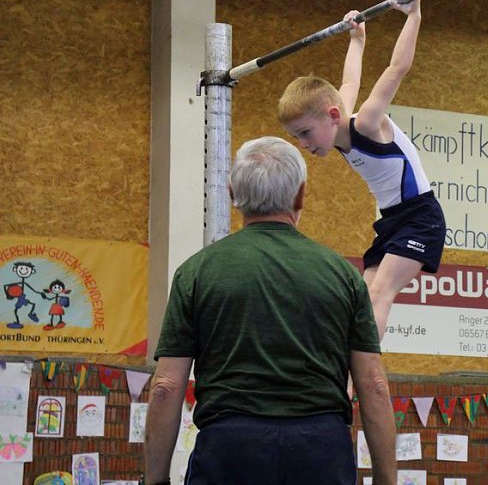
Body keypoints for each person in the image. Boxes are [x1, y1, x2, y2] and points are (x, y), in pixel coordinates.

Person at [144, 136, 397, 485]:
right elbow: (374, 385)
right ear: (300, 196)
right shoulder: (343, 276)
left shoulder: (196, 273)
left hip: (230, 449)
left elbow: (166, 386)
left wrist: (155, 480)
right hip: (320, 450)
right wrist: (387, 479)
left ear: (233, 194)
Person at [278, 0, 446, 342]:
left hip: (421, 218)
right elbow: (349, 80)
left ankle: (360, 369)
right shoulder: (335, 122)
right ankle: (348, 364)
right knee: (361, 299)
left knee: (379, 293)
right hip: (392, 221)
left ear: (332, 116)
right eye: (297, 137)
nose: (304, 145)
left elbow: (397, 69)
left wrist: (414, 14)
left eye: (305, 133)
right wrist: (357, 38)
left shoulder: (367, 122)